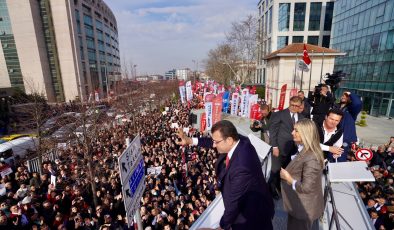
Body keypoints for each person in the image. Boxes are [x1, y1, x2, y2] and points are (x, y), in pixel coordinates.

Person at [176, 120, 274, 230]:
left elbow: (234, 203)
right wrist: (189, 140)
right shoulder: (241, 141)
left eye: (217, 142)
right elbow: (212, 142)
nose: (214, 144)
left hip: (252, 217)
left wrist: (222, 226)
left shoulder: (241, 167)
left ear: (229, 140)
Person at [280, 119, 324, 230]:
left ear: (305, 133)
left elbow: (306, 188)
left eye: (296, 130)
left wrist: (288, 178)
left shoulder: (311, 157)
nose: (292, 133)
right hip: (297, 204)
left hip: (303, 208)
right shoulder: (304, 148)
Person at [268, 96, 304, 199]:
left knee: (287, 170)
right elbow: (273, 131)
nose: (293, 107)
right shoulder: (279, 114)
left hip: (294, 150)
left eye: (296, 106)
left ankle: (281, 188)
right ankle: (272, 190)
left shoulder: (302, 117)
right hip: (279, 148)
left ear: (300, 106)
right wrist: (274, 146)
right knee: (275, 170)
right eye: (292, 104)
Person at [337, 91, 362, 159]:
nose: (343, 97)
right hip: (335, 134)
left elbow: (358, 103)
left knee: (341, 155)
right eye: (343, 95)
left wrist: (350, 94)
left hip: (345, 137)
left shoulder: (351, 109)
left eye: (346, 96)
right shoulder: (337, 106)